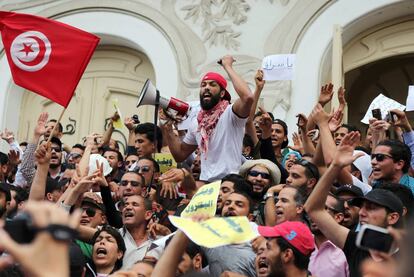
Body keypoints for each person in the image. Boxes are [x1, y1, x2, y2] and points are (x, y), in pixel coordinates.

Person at [305, 132, 403, 277]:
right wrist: (335, 166)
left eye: (371, 208)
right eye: (362, 207)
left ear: (393, 217)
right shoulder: (354, 242)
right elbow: (313, 209)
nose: (362, 212)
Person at [161, 55, 254, 182]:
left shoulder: (231, 113)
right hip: (206, 184)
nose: (206, 87)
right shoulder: (197, 123)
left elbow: (248, 97)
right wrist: (167, 128)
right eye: (203, 85)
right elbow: (180, 155)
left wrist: (227, 66)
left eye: (212, 84)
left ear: (222, 93)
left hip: (229, 182)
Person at [308, 194, 349, 277]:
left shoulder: (347, 252)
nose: (314, 214)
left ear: (338, 217)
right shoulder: (302, 243)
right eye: (312, 209)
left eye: (322, 208)